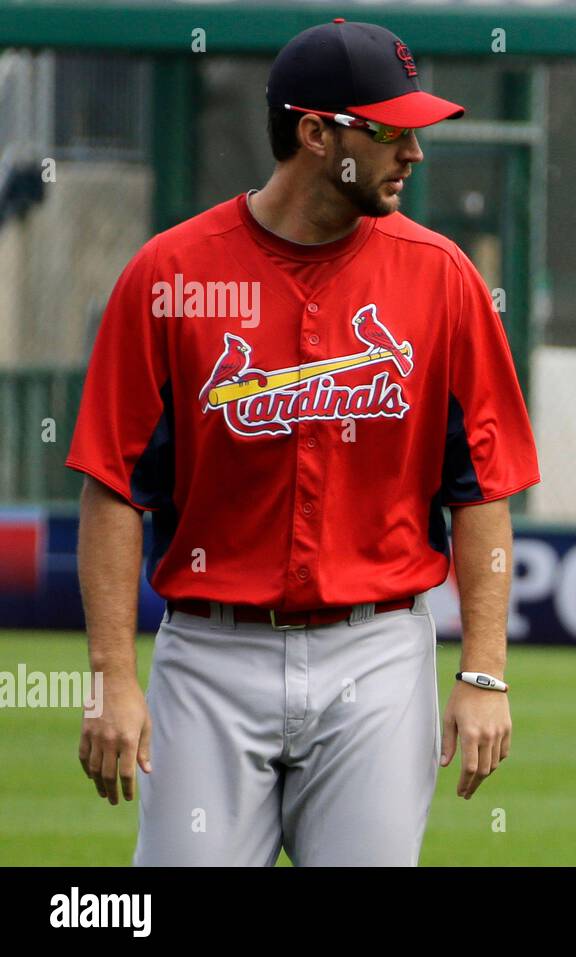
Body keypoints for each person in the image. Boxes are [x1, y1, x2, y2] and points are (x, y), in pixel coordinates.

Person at [67, 19, 540, 866]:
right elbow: (113, 486)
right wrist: (111, 677)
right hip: (211, 653)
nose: (415, 152)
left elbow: (482, 490)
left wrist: (485, 668)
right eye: (391, 128)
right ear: (318, 134)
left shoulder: (442, 278)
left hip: (378, 650)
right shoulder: (171, 276)